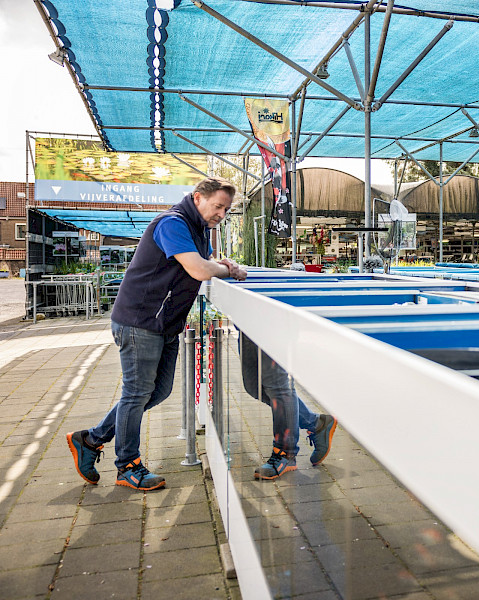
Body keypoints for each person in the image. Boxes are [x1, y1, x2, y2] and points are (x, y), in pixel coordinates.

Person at [66, 177, 247, 491]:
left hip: (164, 324)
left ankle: (91, 439)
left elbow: (203, 262)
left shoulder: (199, 229)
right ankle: (127, 466)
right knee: (136, 394)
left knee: (156, 392)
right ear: (198, 198)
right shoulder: (172, 223)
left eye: (226, 209)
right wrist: (228, 269)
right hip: (140, 322)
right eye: (218, 206)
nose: (222, 214)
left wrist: (221, 262)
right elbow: (199, 269)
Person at [240, 333, 337, 479]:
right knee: (254, 386)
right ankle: (316, 423)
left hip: (271, 323)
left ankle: (285, 454)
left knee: (277, 385)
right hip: (245, 325)